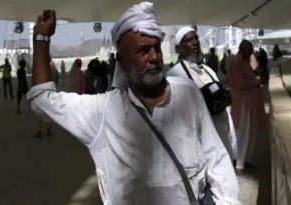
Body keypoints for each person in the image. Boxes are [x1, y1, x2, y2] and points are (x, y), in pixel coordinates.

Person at [27, 5, 240, 205]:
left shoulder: (187, 93)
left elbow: (216, 157)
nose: (155, 57)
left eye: (157, 47)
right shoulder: (103, 111)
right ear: (121, 60)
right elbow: (42, 99)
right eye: (143, 50)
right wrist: (41, 39)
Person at [166, 27, 237, 162]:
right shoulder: (173, 76)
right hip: (199, 144)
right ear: (178, 49)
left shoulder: (208, 70)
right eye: (189, 40)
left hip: (222, 135)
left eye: (196, 38)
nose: (195, 42)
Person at [227, 40, 266, 176]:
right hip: (243, 104)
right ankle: (239, 164)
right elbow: (240, 82)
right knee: (242, 133)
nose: (251, 52)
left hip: (248, 103)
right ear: (243, 49)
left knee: (250, 133)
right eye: (249, 49)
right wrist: (257, 81)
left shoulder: (243, 61)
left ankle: (244, 160)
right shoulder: (236, 62)